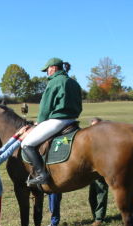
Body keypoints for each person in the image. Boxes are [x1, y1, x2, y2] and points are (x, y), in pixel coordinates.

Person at [21, 57, 82, 185]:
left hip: (57, 121)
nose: (47, 73)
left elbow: (45, 106)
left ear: (53, 68)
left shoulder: (54, 82)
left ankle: (42, 175)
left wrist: (39, 122)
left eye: (47, 70)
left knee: (26, 144)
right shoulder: (74, 82)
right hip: (72, 120)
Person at [88, 117, 108, 226]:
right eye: (92, 126)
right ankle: (95, 216)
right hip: (91, 171)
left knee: (101, 193)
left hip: (101, 170)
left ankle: (99, 218)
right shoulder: (91, 138)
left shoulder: (105, 138)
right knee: (92, 196)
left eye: (97, 125)